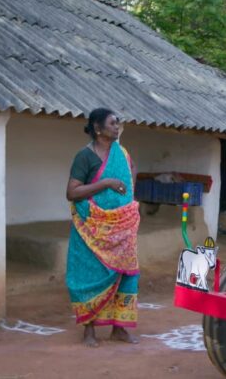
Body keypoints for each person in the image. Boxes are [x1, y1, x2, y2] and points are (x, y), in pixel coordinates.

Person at [65, 108, 141, 347]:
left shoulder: (122, 153)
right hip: (92, 228)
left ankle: (120, 328)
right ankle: (89, 330)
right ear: (98, 128)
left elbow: (132, 171)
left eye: (117, 123)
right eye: (112, 123)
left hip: (122, 227)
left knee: (127, 274)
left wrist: (127, 204)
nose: (117, 127)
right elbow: (72, 192)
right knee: (90, 275)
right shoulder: (84, 157)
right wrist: (106, 183)